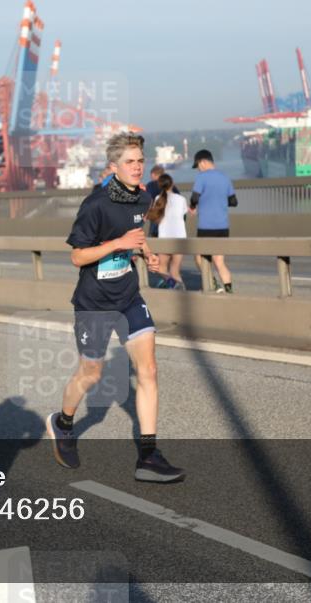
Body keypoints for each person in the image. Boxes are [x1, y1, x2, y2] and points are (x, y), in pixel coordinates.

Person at [47, 132, 185, 484]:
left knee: (149, 370)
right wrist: (116, 244)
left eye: (140, 161)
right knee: (91, 373)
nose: (137, 167)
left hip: (127, 296)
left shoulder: (145, 197)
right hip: (93, 302)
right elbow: (78, 256)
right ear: (113, 167)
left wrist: (146, 255)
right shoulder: (96, 205)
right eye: (129, 162)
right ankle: (62, 423)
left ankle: (148, 455)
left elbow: (137, 237)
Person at [190, 149, 237, 293]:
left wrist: (193, 207)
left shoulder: (201, 178)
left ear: (203, 162)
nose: (198, 168)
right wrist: (218, 202)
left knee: (199, 257)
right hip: (223, 227)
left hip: (206, 227)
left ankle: (214, 284)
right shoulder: (225, 178)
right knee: (219, 261)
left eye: (198, 165)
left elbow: (194, 198)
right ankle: (229, 290)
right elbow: (233, 201)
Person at [146, 173, 188, 289]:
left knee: (161, 268)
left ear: (159, 186)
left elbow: (157, 218)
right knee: (175, 271)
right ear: (172, 184)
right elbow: (183, 215)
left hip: (164, 238)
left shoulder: (158, 199)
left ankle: (172, 284)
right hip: (180, 238)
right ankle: (181, 292)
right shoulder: (181, 199)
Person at [145, 165, 180, 238]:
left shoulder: (150, 185)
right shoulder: (171, 186)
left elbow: (148, 200)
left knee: (154, 238)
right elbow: (178, 197)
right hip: (171, 217)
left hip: (156, 215)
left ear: (153, 174)